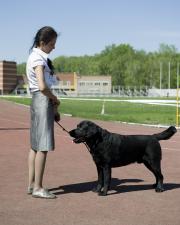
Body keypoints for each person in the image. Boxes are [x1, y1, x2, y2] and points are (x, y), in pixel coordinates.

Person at [26, 26, 60, 199]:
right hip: (42, 100)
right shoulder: (38, 59)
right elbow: (42, 86)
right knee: (43, 146)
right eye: (52, 44)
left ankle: (32, 185)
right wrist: (54, 99)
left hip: (36, 100)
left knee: (35, 146)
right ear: (42, 43)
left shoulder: (35, 56)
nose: (54, 47)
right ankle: (38, 187)